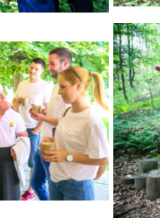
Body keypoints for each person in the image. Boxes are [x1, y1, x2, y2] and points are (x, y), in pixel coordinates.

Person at [41, 66, 109, 201]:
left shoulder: (92, 121)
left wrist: (68, 157)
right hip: (55, 181)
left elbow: (104, 159)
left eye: (63, 87)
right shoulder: (65, 112)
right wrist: (50, 139)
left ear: (78, 86)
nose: (59, 92)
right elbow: (70, 139)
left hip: (77, 187)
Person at [24, 47, 74, 201]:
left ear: (64, 63)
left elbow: (68, 122)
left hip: (54, 146)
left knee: (54, 188)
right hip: (42, 143)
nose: (49, 67)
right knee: (35, 182)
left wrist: (43, 118)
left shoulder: (70, 90)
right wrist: (42, 114)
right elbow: (53, 114)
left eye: (52, 64)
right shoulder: (54, 87)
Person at [15, 58, 53, 200]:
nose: (32, 71)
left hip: (33, 128)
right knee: (17, 157)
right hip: (19, 127)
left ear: (42, 71)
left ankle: (31, 190)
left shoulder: (45, 86)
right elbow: (14, 102)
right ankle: (16, 184)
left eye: (36, 69)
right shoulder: (22, 83)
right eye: (31, 67)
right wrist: (16, 101)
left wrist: (38, 129)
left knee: (32, 161)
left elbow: (48, 111)